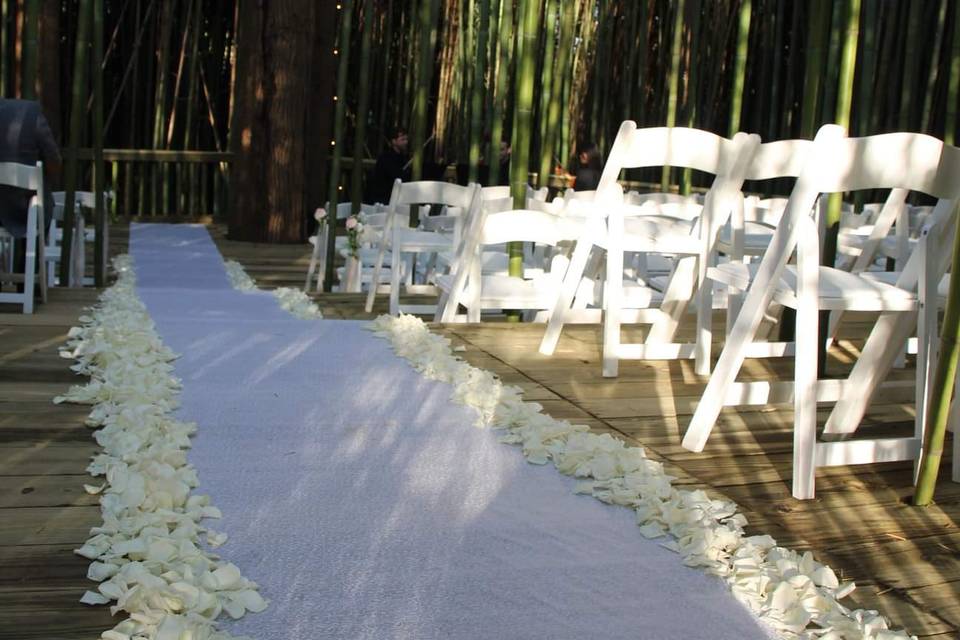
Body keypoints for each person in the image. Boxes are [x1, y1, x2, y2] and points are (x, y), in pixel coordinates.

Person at [0, 99, 61, 238]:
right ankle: (33, 257)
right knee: (40, 201)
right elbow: (54, 160)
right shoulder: (33, 115)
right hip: (28, 208)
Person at [366, 126, 410, 205]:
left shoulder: (403, 157)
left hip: (396, 198)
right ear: (394, 141)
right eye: (402, 139)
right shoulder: (385, 158)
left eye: (406, 139)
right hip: (383, 200)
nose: (406, 142)